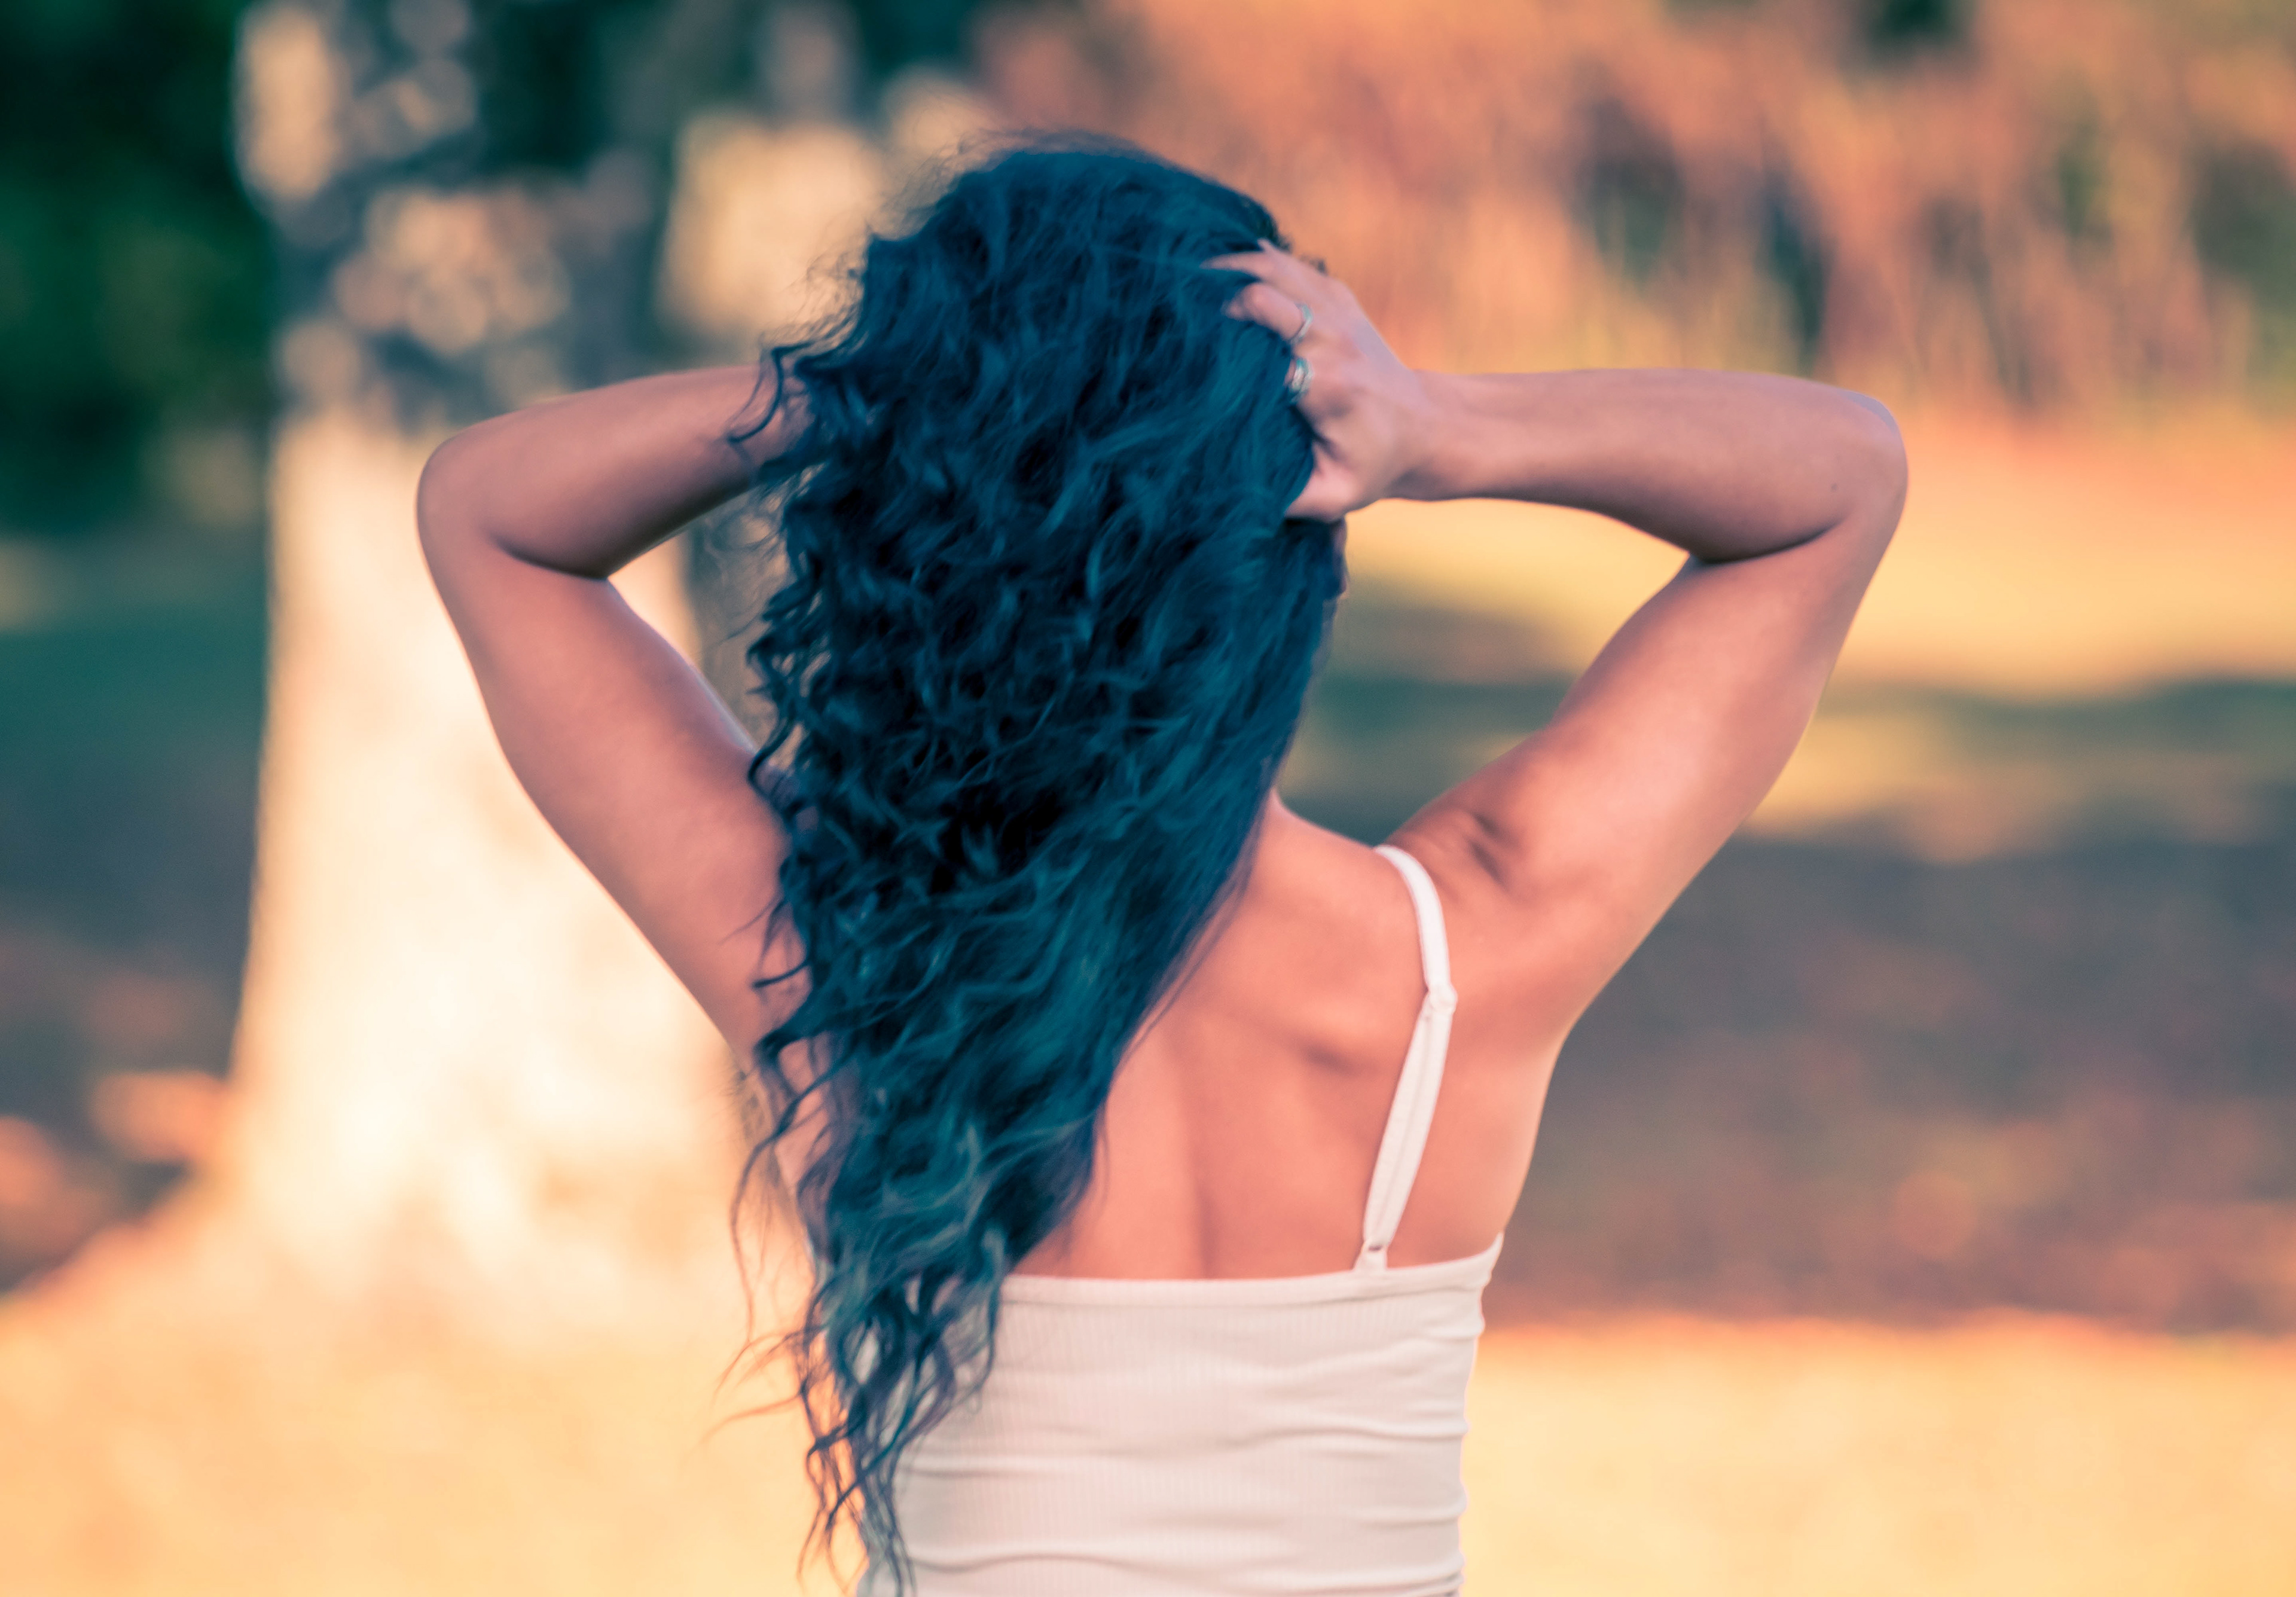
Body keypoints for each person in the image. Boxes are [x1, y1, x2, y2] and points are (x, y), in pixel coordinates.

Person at [416, 141, 1906, 1596]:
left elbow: (489, 512)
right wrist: (1438, 424)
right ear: (1283, 553)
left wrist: (901, 387)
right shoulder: (1468, 956)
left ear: (918, 560)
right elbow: (1842, 475)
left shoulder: (838, 967)